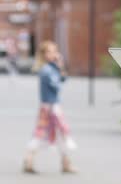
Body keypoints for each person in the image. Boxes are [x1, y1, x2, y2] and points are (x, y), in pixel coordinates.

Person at [23, 40, 77, 174]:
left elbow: (63, 79)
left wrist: (59, 67)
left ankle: (64, 163)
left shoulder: (50, 68)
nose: (54, 54)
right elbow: (57, 85)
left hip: (50, 106)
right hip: (51, 108)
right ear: (43, 54)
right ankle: (29, 159)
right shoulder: (47, 70)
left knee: (55, 134)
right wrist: (59, 68)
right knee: (49, 133)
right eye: (50, 51)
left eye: (55, 51)